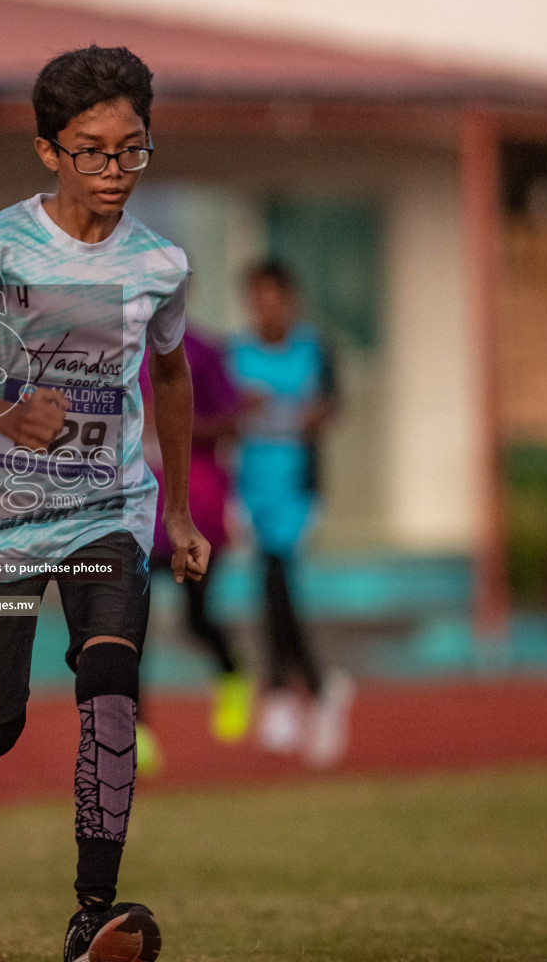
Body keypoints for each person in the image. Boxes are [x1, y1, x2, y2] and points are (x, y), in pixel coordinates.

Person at [0, 45, 202, 962]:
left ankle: (91, 915)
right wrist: (3, 414)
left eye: (133, 150)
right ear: (48, 151)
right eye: (93, 152)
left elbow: (173, 376)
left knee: (111, 689)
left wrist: (179, 512)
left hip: (111, 509)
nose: (115, 173)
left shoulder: (162, 264)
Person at [228, 261, 353, 769]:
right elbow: (216, 417)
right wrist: (242, 412)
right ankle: (307, 690)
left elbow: (334, 405)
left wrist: (310, 416)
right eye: (257, 297)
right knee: (269, 585)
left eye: (274, 296)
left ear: (291, 299)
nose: (266, 306)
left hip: (297, 488)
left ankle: (295, 690)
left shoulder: (314, 348)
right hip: (249, 486)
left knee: (276, 580)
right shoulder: (234, 355)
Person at [135, 326, 249, 774]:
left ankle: (231, 671)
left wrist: (171, 420)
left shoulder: (202, 352)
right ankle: (136, 733)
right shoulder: (110, 347)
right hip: (134, 517)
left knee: (196, 617)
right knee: (130, 631)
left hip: (194, 510)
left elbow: (232, 420)